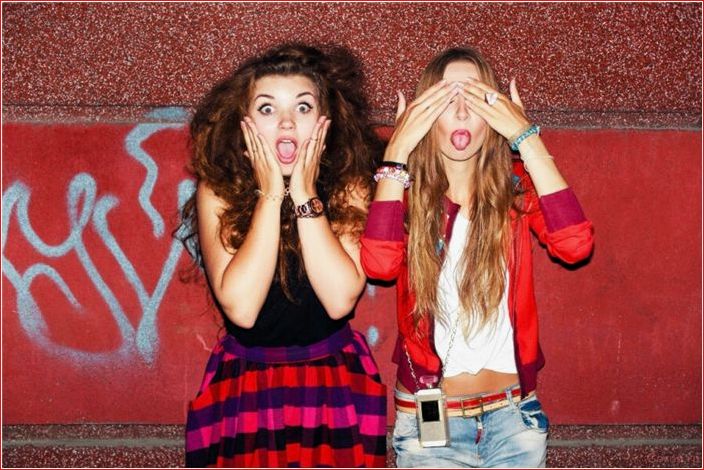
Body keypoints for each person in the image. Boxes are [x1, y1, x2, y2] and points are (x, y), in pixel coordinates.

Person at [360, 47, 594, 467]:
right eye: (448, 99)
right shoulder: (403, 196)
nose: (463, 112)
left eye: (476, 98)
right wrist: (397, 150)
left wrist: (525, 137)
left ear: (495, 114)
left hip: (513, 418)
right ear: (423, 114)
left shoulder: (516, 190)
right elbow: (379, 264)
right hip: (430, 425)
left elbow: (575, 245)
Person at [180, 44, 387, 468]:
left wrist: (305, 194)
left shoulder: (347, 185)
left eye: (303, 107)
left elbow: (340, 299)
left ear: (325, 121)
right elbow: (242, 308)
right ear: (244, 124)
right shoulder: (219, 190)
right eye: (268, 108)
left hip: (332, 381)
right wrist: (272, 195)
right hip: (246, 384)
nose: (287, 121)